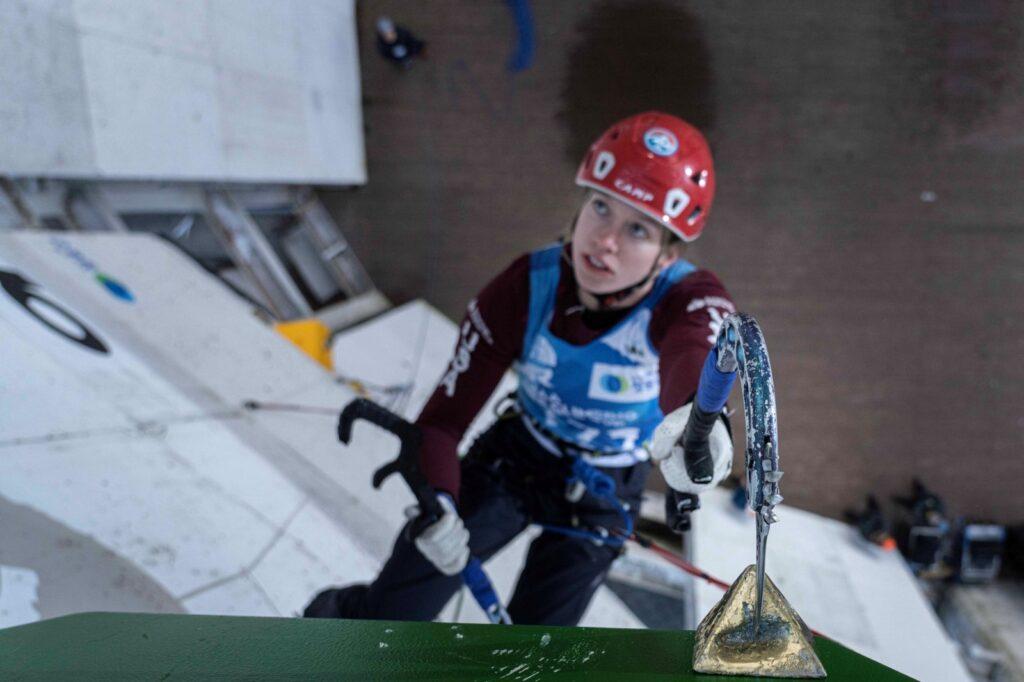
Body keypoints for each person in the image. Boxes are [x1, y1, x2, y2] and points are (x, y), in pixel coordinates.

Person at [305, 111, 735, 625]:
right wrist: (439, 494)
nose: (605, 240)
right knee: (393, 609)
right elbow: (444, 419)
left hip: (607, 485)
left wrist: (699, 416)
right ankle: (328, 628)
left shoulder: (687, 296)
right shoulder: (523, 287)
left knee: (534, 654)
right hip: (516, 457)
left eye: (638, 229)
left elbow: (695, 347)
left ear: (667, 256)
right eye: (601, 206)